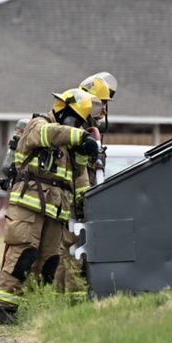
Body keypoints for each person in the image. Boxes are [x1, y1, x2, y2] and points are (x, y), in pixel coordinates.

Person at [0, 88, 101, 324]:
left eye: (80, 124)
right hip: (29, 205)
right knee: (23, 253)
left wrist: (83, 152)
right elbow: (49, 134)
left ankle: (32, 307)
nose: (76, 126)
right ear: (64, 111)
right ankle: (3, 306)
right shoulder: (38, 124)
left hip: (55, 210)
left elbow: (76, 174)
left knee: (49, 262)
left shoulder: (68, 139)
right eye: (74, 120)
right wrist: (79, 137)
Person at [53, 74, 116, 300]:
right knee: (73, 249)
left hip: (78, 196)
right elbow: (76, 171)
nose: (104, 110)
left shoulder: (87, 128)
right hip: (73, 198)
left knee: (68, 250)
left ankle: (58, 298)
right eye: (101, 104)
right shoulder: (78, 129)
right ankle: (74, 300)